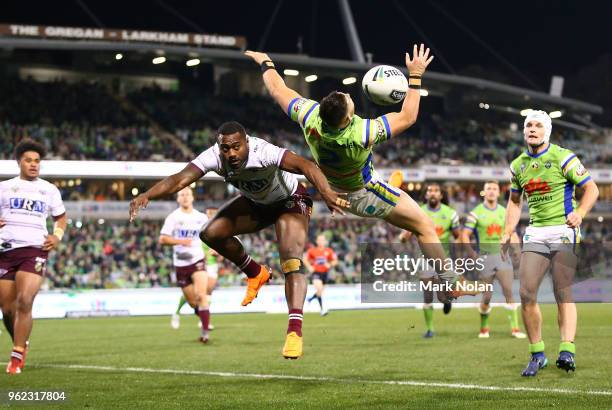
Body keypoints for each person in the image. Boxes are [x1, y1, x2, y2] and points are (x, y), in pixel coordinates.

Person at [246, 45, 465, 293]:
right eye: (349, 101)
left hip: (335, 186)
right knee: (424, 225)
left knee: (409, 211)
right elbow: (407, 117)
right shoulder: (362, 133)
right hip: (363, 192)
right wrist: (415, 76)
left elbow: (277, 88)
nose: (349, 96)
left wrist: (266, 62)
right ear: (347, 119)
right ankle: (451, 283)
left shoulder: (309, 115)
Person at [130, 121, 348, 359]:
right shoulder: (213, 156)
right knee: (210, 233)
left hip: (290, 201)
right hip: (257, 205)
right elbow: (181, 179)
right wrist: (147, 195)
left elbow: (305, 165)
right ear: (219, 146)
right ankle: (256, 272)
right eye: (226, 148)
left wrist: (326, 191)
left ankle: (294, 331)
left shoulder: (263, 151)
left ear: (246, 142)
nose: (231, 153)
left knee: (291, 261)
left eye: (236, 147)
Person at [501, 111, 599, 376]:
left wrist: (580, 213)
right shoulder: (517, 165)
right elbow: (514, 201)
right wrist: (508, 230)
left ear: (547, 131)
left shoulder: (562, 156)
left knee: (562, 290)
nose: (532, 129)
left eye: (538, 125)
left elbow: (592, 189)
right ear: (524, 132)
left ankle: (567, 349)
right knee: (526, 293)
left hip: (564, 230)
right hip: (536, 232)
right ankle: (537, 354)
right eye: (528, 125)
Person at [0, 139, 67, 374]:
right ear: (19, 162)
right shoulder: (4, 187)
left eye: (37, 161)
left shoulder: (48, 189)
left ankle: (17, 354)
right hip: (5, 252)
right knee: (7, 310)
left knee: (25, 301)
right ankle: (21, 341)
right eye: (28, 160)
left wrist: (57, 236)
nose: (33, 164)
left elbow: (61, 218)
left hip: (34, 250)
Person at [461, 181, 526, 339]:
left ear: (498, 193)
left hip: (503, 257)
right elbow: (464, 235)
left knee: (508, 291)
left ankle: (515, 329)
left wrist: (517, 251)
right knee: (487, 296)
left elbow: (513, 233)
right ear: (484, 192)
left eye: (494, 189)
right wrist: (472, 254)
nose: (491, 191)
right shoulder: (475, 213)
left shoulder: (505, 212)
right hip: (485, 258)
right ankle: (484, 328)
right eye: (488, 189)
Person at [408, 183, 461, 338]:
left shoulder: (451, 213)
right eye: (430, 190)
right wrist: (404, 235)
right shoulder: (418, 212)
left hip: (443, 259)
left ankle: (446, 302)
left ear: (441, 195)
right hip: (424, 259)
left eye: (436, 191)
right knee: (427, 295)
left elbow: (458, 236)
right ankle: (430, 329)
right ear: (425, 195)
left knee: (442, 295)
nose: (433, 193)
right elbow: (407, 232)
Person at [160, 187, 211, 342]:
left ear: (192, 197)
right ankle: (201, 315)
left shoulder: (201, 217)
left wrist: (214, 249)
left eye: (187, 194)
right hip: (180, 264)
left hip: (197, 260)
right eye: (181, 195)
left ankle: (205, 333)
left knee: (202, 295)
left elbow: (211, 235)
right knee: (192, 302)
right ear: (178, 199)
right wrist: (181, 241)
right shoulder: (173, 218)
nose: (185, 197)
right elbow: (163, 239)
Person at [304, 234, 337, 316]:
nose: (321, 242)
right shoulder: (312, 250)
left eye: (322, 240)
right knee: (319, 289)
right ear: (317, 241)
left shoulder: (329, 251)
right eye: (319, 240)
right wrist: (309, 267)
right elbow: (305, 259)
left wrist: (330, 264)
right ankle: (322, 309)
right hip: (316, 273)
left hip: (325, 274)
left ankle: (310, 299)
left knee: (320, 291)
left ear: (325, 241)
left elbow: (335, 261)